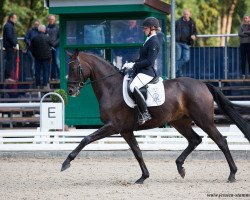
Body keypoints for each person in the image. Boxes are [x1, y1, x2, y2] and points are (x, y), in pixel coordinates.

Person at [123, 17, 160, 125]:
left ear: (152, 28)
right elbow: (142, 58)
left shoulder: (154, 41)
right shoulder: (148, 40)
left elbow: (149, 61)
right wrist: (130, 64)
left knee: (132, 87)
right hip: (142, 70)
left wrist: (134, 64)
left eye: (145, 28)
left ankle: (145, 113)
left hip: (147, 72)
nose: (144, 30)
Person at [30, 25, 54, 89]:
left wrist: (34, 55)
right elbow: (52, 44)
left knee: (37, 71)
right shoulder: (47, 37)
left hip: (37, 57)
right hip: (46, 57)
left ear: (38, 30)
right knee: (45, 71)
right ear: (44, 30)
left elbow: (31, 48)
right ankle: (45, 84)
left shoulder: (34, 38)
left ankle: (37, 84)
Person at [175, 9, 197, 77]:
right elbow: (173, 31)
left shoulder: (192, 22)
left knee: (186, 58)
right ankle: (180, 75)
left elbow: (195, 32)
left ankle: (174, 69)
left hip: (187, 43)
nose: (186, 15)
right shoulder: (178, 22)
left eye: (187, 14)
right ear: (183, 14)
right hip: (178, 42)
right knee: (178, 58)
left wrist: (194, 35)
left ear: (189, 14)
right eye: (185, 14)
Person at [2, 13, 18, 83]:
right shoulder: (8, 25)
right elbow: (9, 36)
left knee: (10, 62)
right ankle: (7, 78)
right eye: (15, 18)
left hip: (10, 46)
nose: (16, 20)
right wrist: (15, 44)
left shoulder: (10, 25)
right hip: (9, 47)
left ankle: (8, 77)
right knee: (9, 62)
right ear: (11, 18)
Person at [46, 14, 60, 80]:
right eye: (50, 19)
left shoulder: (57, 27)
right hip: (48, 48)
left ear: (54, 20)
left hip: (56, 47)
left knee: (57, 62)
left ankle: (60, 77)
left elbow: (60, 38)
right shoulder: (46, 28)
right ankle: (52, 77)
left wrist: (54, 44)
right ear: (48, 20)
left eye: (52, 19)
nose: (51, 20)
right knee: (50, 63)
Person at [238, 14, 250, 80]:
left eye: (247, 18)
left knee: (249, 60)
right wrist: (247, 34)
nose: (245, 19)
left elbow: (242, 34)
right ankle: (243, 74)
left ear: (249, 19)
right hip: (242, 44)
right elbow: (239, 34)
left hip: (249, 44)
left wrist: (244, 32)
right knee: (243, 60)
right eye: (244, 18)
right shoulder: (241, 26)